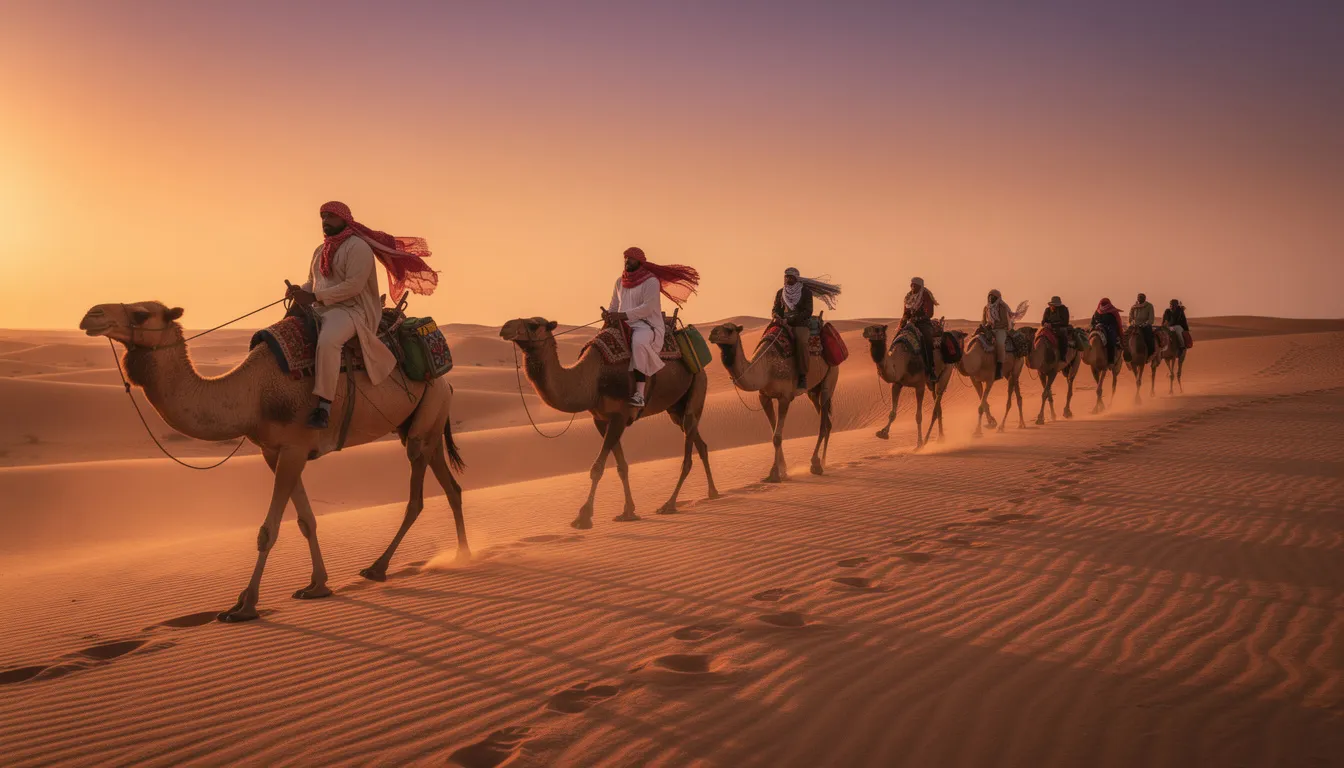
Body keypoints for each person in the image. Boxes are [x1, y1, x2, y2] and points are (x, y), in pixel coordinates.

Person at [287, 201, 438, 429]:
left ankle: (324, 406)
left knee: (328, 341)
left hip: (353, 310)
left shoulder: (358, 247)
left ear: (344, 218)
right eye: (323, 217)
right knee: (289, 327)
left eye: (330, 216)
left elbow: (353, 286)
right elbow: (313, 282)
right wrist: (300, 290)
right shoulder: (321, 250)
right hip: (323, 306)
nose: (325, 221)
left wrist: (314, 296)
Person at [607, 247, 701, 407]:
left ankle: (640, 394)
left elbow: (648, 308)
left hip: (646, 325)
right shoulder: (619, 282)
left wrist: (622, 315)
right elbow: (614, 305)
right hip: (622, 324)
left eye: (631, 258)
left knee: (639, 343)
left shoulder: (650, 282)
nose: (627, 261)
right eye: (626, 258)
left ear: (639, 262)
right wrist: (609, 314)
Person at [899, 277, 938, 379]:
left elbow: (929, 313)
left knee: (927, 339)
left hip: (923, 323)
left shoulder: (925, 295)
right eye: (911, 285)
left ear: (920, 286)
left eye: (914, 285)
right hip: (911, 323)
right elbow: (906, 312)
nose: (912, 287)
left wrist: (918, 318)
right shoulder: (908, 297)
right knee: (898, 337)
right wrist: (904, 319)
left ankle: (930, 368)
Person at [983, 289, 1027, 380]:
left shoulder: (1002, 307)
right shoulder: (986, 308)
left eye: (993, 297)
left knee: (1000, 344)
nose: (991, 299)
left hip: (1001, 329)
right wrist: (985, 326)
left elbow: (1004, 322)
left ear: (997, 298)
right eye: (989, 296)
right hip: (989, 329)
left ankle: (999, 368)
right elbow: (983, 320)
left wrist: (993, 326)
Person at [1092, 298, 1124, 364]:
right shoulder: (1097, 311)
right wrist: (1095, 326)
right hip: (1098, 327)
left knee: (1111, 340)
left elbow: (1116, 322)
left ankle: (1110, 361)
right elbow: (1093, 321)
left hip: (1109, 327)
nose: (1103, 304)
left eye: (1104, 303)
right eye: (1103, 303)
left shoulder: (1112, 311)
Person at [1041, 296, 1071, 362]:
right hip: (1048, 328)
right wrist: (1045, 324)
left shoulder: (1064, 309)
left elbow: (1065, 322)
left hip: (1060, 328)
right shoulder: (1047, 310)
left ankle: (1062, 356)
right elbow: (1043, 321)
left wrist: (1052, 325)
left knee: (1063, 337)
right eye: (1054, 305)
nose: (1055, 306)